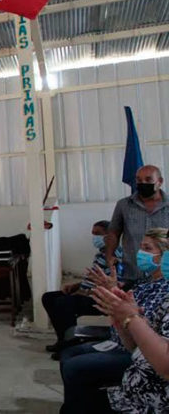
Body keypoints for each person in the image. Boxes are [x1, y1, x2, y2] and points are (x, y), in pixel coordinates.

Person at [59, 228, 169, 414]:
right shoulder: (145, 282)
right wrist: (117, 306)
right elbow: (133, 338)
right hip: (132, 368)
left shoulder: (164, 289)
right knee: (68, 355)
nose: (141, 253)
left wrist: (130, 317)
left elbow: (160, 358)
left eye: (147, 248)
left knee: (74, 369)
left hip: (150, 396)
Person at [41, 220, 121, 356]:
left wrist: (86, 292)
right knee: (48, 297)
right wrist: (76, 286)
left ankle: (70, 346)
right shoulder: (100, 254)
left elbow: (115, 283)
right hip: (88, 292)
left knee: (64, 303)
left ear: (109, 236)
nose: (94, 238)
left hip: (101, 297)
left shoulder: (116, 256)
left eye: (98, 234)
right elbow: (93, 278)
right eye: (93, 234)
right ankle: (63, 339)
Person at [106, 165, 169, 281]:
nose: (143, 183)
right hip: (132, 273)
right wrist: (110, 256)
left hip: (164, 276)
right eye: (139, 180)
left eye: (148, 180)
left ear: (160, 182)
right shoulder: (124, 205)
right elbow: (114, 232)